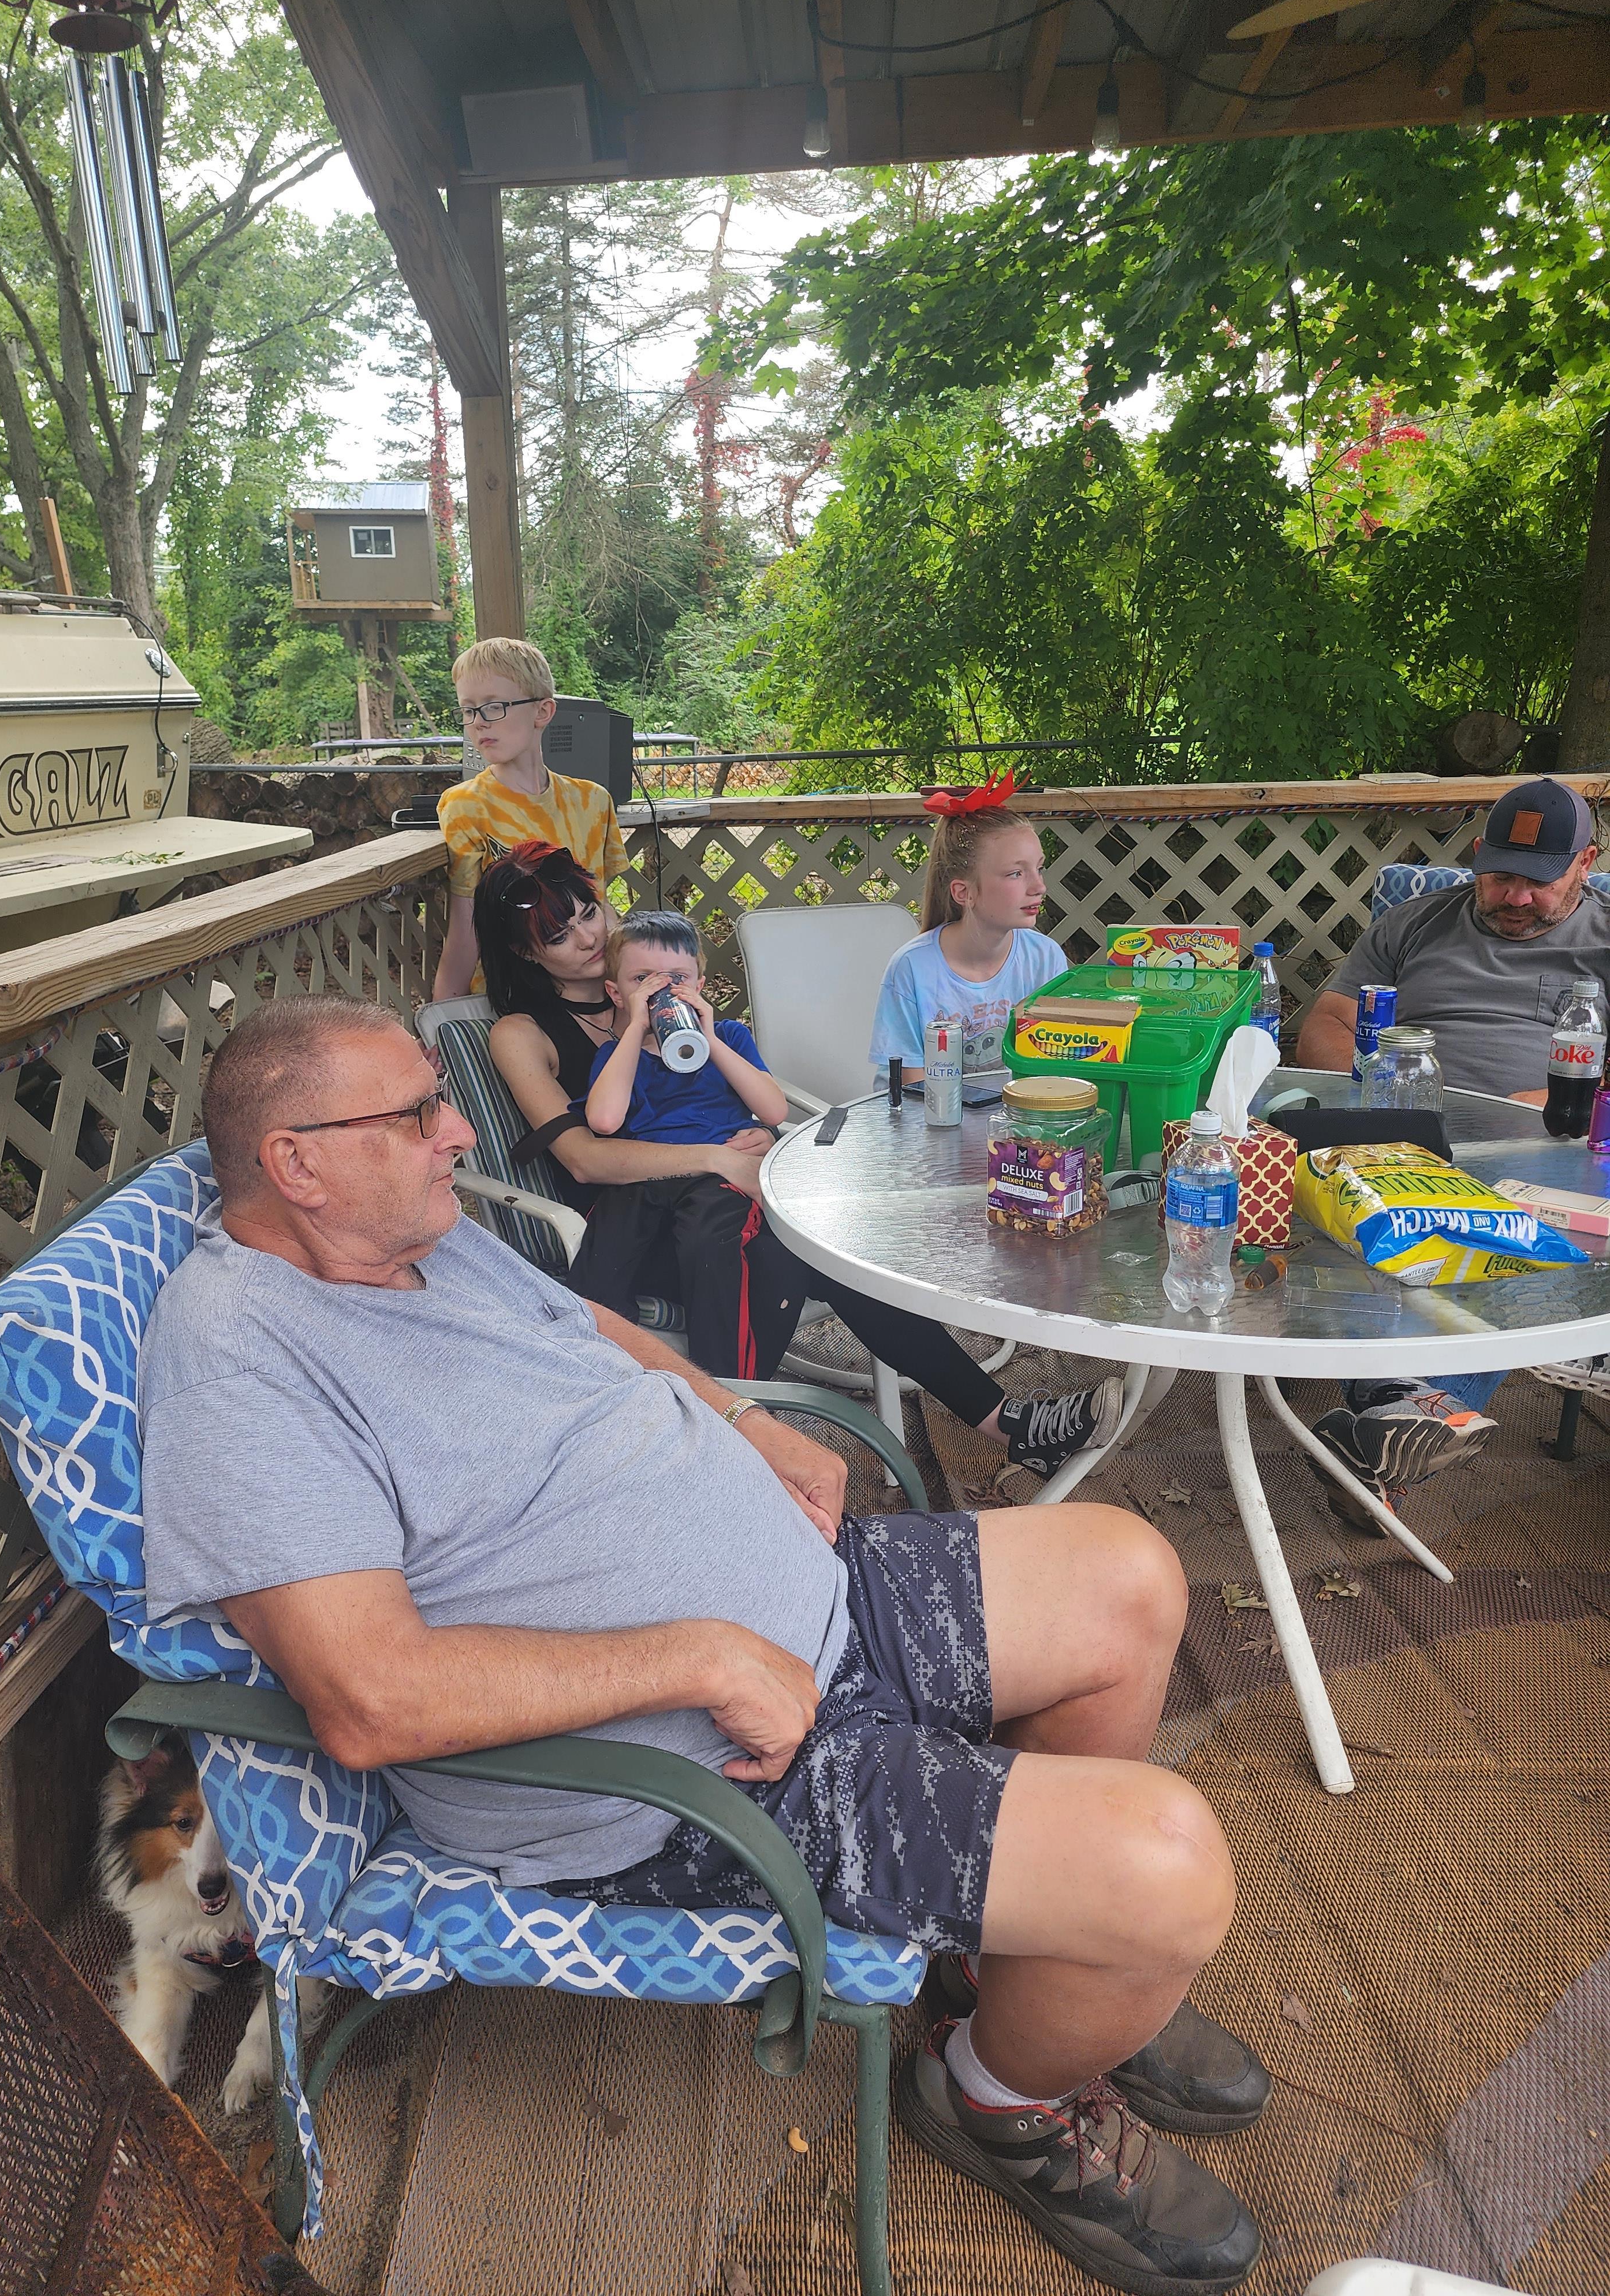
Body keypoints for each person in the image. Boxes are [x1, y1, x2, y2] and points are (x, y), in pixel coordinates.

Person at [139, 994, 1266, 2296]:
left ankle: (1014, 1967)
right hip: (684, 1778)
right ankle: (1000, 2093)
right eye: (416, 1111)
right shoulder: (241, 1359)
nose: (458, 1129)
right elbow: (370, 1695)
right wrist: (706, 1657)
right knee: (1169, 1867)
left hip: (808, 1605)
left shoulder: (412, 1236)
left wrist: (739, 1414)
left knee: (1128, 1574)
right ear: (296, 1161)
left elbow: (587, 1329)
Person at [476, 844, 1124, 1479]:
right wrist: (716, 1160)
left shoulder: (661, 983)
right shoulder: (524, 1033)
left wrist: (747, 1136)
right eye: (558, 934)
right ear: (525, 953)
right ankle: (744, 1451)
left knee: (831, 1242)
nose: (587, 936)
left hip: (723, 1204)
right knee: (794, 1245)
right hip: (640, 1235)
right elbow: (586, 1157)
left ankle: (1002, 1424)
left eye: (589, 910)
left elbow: (734, 1091)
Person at [1295, 777, 1610, 1491]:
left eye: (1539, 881)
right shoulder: (1416, 921)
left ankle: (1394, 1409)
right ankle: (1399, 1419)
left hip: (1543, 1152)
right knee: (1333, 1199)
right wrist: (1384, 1101)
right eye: (1500, 876)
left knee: (1505, 1231)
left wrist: (1547, 1106)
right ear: (1476, 856)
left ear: (1585, 864)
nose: (1516, 897)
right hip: (1400, 1134)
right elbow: (1327, 1024)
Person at [572, 910, 809, 1378]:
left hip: (719, 1178)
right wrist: (636, 1029)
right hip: (648, 1177)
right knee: (606, 1245)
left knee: (712, 1239)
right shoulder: (617, 1056)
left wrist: (709, 1038)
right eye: (643, 979)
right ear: (617, 993)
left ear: (699, 985)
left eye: (676, 979)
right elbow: (603, 1121)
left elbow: (775, 1111)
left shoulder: (729, 1038)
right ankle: (600, 1369)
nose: (661, 989)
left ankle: (728, 1386)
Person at [431, 636, 628, 1000]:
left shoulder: (593, 801)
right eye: (468, 710)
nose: (478, 723)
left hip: (598, 996)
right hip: (516, 1003)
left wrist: (640, 978)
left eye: (493, 707)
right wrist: (443, 1026)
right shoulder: (465, 807)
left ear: (543, 712)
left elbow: (600, 907)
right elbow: (465, 935)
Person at [870, 778, 1065, 1090]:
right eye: (1016, 873)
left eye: (1039, 869)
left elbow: (1053, 1075)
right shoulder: (912, 969)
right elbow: (915, 1093)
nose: (1039, 887)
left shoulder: (1046, 958)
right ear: (964, 893)